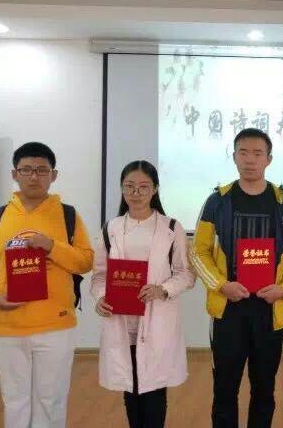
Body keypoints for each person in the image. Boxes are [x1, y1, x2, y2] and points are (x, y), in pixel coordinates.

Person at [189, 128, 283, 428]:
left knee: (264, 389)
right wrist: (222, 285)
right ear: (234, 157)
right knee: (224, 389)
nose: (250, 160)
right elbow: (198, 252)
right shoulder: (217, 202)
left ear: (269, 159)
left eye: (257, 153)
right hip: (228, 310)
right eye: (243, 153)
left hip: (270, 311)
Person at [0, 141, 94, 428]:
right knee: (15, 401)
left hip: (56, 325)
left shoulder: (68, 215)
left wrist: (51, 246)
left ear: (54, 175)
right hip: (7, 326)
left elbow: (85, 261)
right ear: (14, 174)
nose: (33, 176)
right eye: (26, 169)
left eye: (42, 170)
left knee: (50, 402)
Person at [91, 160, 194, 428]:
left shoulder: (171, 227)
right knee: (131, 388)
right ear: (122, 189)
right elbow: (99, 274)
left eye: (143, 187)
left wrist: (163, 289)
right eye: (129, 187)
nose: (136, 193)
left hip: (157, 319)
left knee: (154, 390)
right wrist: (100, 297)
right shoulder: (111, 228)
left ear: (155, 189)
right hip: (122, 319)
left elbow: (186, 274)